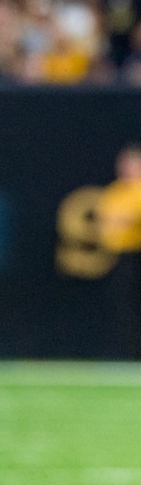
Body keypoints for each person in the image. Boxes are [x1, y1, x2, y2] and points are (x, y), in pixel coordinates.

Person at [96, 143, 141, 359]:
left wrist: (123, 221)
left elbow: (129, 219)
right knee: (125, 306)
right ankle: (129, 351)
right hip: (121, 257)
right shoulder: (114, 192)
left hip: (137, 253)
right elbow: (105, 222)